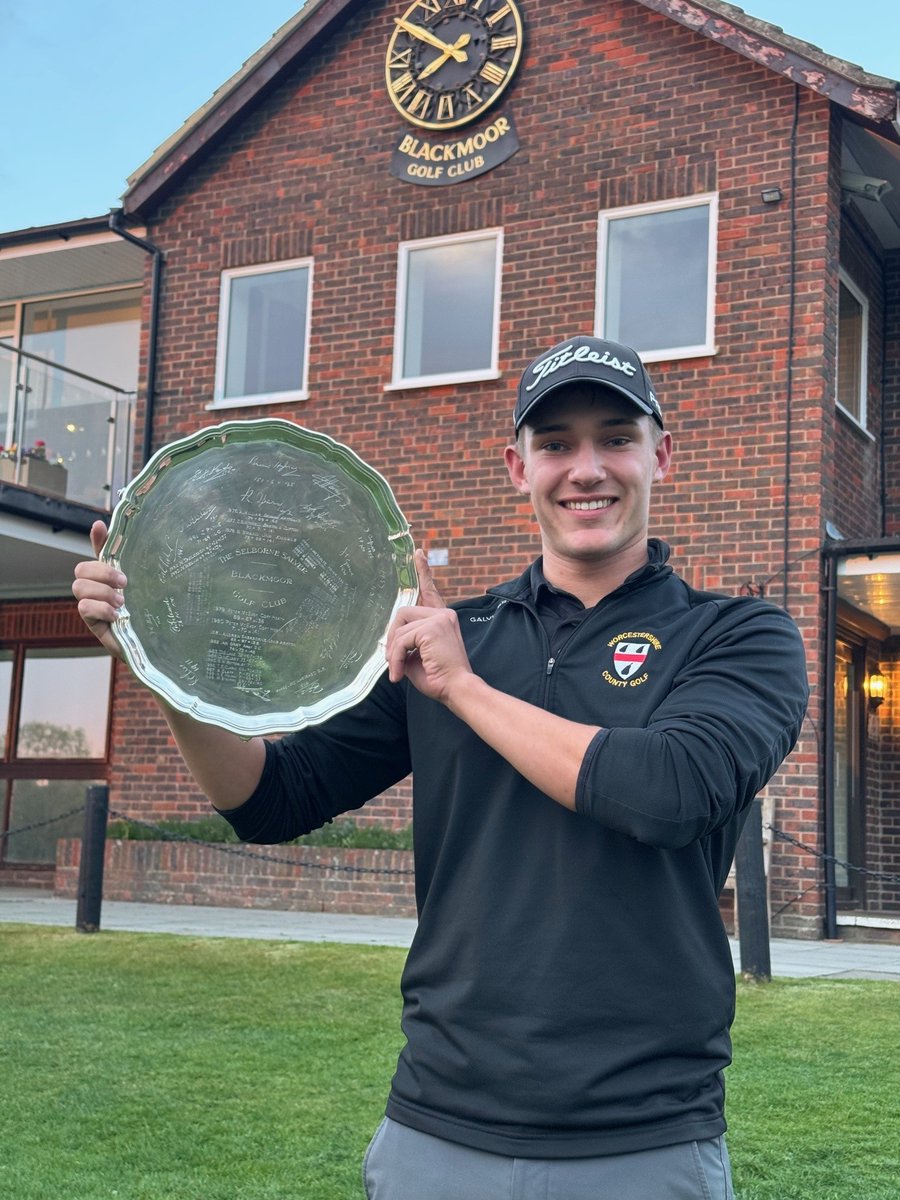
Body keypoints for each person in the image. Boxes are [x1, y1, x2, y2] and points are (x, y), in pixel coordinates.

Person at [74, 334, 808, 1200]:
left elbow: (670, 790)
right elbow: (271, 799)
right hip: (437, 1127)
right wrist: (165, 665)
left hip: (640, 1137)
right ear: (516, 466)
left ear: (661, 455)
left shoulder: (739, 636)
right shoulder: (454, 638)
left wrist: (462, 689)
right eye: (556, 444)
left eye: (615, 437)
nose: (586, 469)